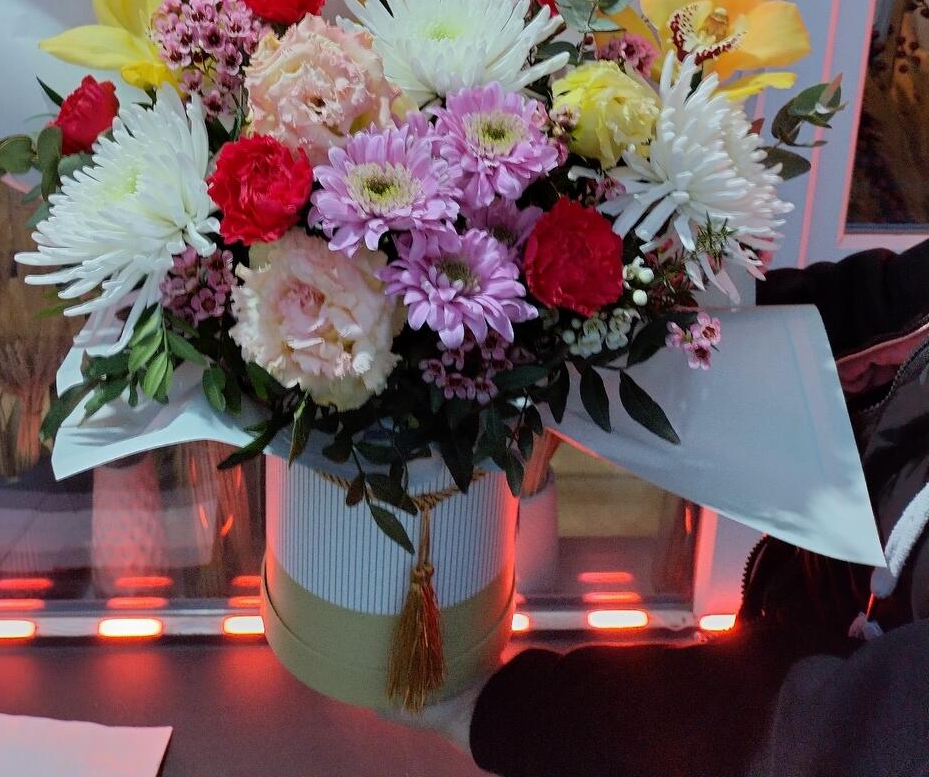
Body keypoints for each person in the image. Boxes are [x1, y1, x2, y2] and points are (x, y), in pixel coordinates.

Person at [381, 242, 929, 776]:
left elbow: (831, 736)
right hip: (823, 588)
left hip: (809, 660)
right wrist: (687, 315)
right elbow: (894, 302)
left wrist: (504, 715)